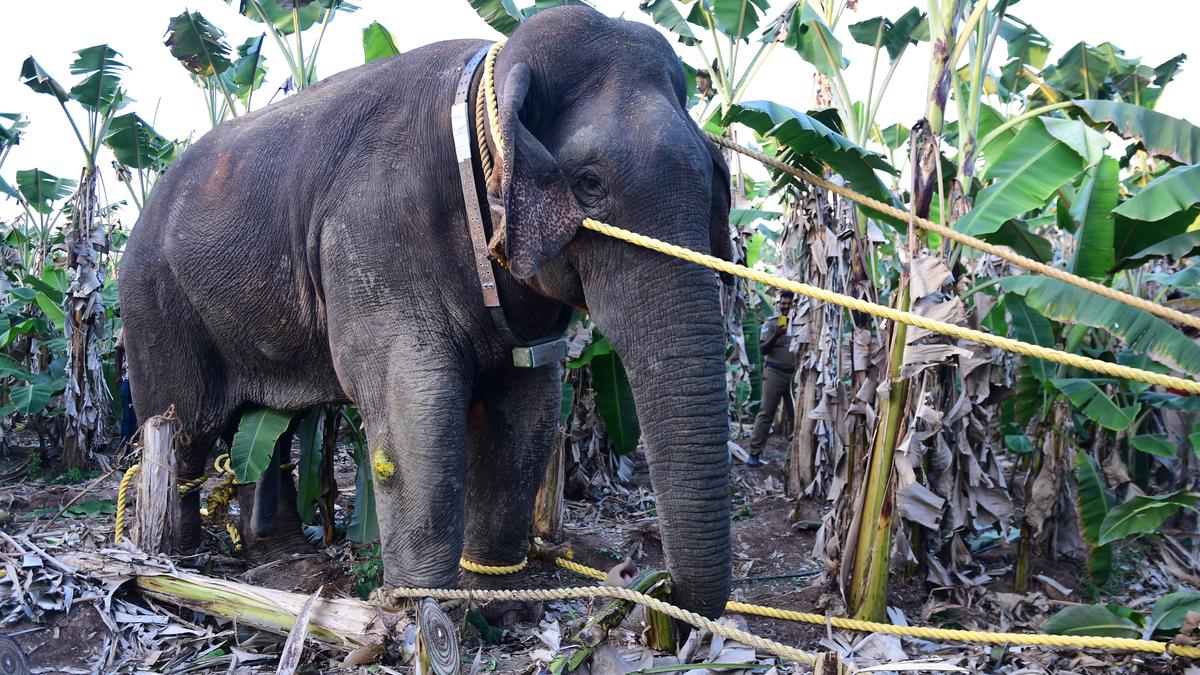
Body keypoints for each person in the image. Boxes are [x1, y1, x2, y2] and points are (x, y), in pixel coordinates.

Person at [746, 291, 795, 466]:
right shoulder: (771, 323)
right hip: (774, 373)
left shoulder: (798, 323)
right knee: (766, 412)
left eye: (789, 303)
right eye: (783, 303)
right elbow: (763, 349)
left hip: (793, 375)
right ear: (778, 304)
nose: (786, 306)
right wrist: (776, 335)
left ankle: (794, 455)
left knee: (795, 415)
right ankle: (754, 453)